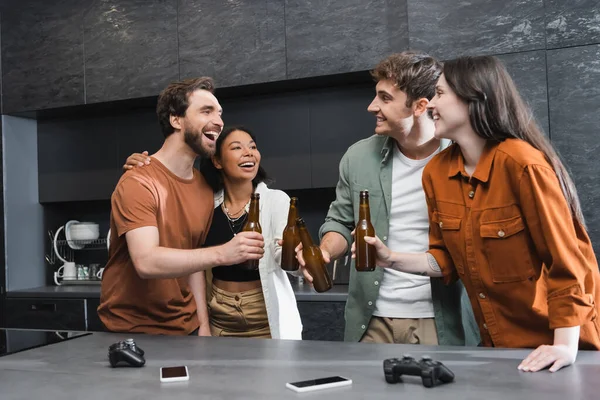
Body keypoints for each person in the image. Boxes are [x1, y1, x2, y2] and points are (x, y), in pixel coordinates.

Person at [359, 55, 600, 372]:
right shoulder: (436, 174)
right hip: (497, 348)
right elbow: (445, 259)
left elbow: (569, 264)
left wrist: (564, 347)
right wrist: (389, 258)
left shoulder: (523, 165)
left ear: (474, 99)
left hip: (556, 346)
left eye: (441, 94)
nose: (430, 104)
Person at [297, 51, 480, 346]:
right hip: (370, 321)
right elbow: (340, 222)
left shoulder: (464, 158)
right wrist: (326, 251)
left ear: (420, 106)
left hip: (440, 321)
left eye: (384, 98)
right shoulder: (358, 157)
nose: (372, 107)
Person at [98, 77, 265, 336]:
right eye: (206, 111)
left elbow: (193, 261)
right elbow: (146, 261)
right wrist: (224, 253)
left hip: (186, 328)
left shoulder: (204, 189)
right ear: (176, 120)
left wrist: (204, 326)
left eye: (219, 113)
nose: (219, 121)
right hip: (134, 331)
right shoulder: (138, 181)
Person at [124, 126, 303, 339]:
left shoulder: (276, 200)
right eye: (237, 148)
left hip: (264, 317)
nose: (249, 153)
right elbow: (195, 263)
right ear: (217, 161)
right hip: (219, 316)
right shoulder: (205, 202)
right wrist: (145, 167)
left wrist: (296, 257)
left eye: (253, 147)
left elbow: (281, 252)